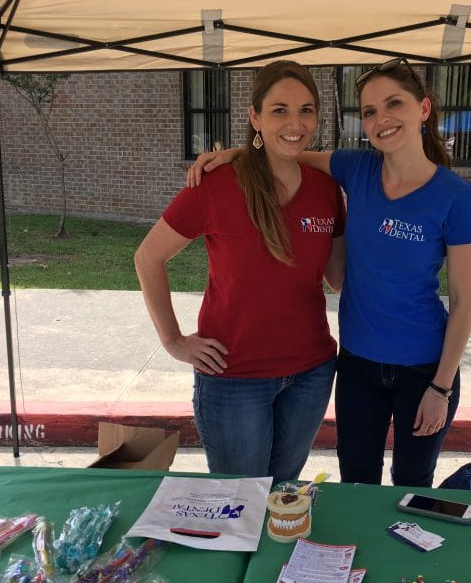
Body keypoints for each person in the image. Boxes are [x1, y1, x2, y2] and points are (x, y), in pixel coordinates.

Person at [189, 58, 471, 487]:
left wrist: (441, 387)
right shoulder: (356, 168)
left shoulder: (457, 197)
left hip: (425, 368)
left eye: (393, 104)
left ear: (423, 109)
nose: (381, 119)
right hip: (358, 365)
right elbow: (288, 147)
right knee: (357, 482)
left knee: (412, 481)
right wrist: (236, 154)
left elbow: (464, 300)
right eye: (368, 112)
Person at [135, 60, 345, 485]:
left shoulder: (326, 189)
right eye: (279, 110)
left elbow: (338, 278)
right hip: (234, 376)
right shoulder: (217, 183)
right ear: (255, 116)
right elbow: (147, 258)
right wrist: (173, 340)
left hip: (311, 372)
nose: (295, 122)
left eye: (306, 110)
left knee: (281, 492)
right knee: (238, 501)